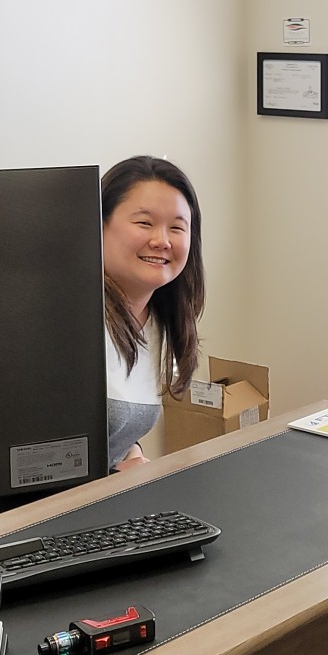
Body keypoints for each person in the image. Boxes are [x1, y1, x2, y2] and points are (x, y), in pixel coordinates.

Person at [102, 155, 206, 473]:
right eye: (144, 223)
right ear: (99, 225)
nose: (161, 241)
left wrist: (131, 454)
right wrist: (107, 477)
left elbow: (113, 431)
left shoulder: (159, 320)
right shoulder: (66, 319)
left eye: (176, 227)